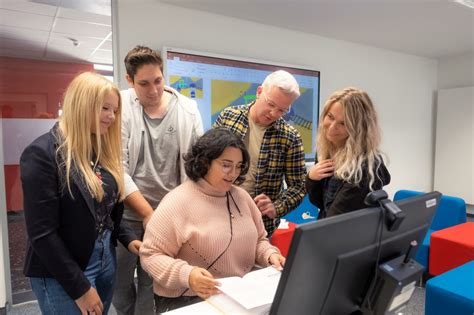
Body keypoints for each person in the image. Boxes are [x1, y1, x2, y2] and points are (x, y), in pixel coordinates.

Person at [20, 72, 140, 315]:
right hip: (64, 269)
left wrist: (129, 239)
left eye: (115, 110)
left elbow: (103, 210)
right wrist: (80, 288)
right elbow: (42, 234)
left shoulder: (97, 150)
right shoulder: (42, 154)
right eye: (105, 108)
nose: (112, 116)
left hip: (106, 258)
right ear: (81, 105)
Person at [140, 128, 285, 313]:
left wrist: (270, 255)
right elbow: (150, 255)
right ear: (205, 162)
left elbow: (258, 240)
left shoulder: (241, 197)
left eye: (239, 166)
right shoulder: (177, 202)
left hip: (238, 297)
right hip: (188, 300)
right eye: (226, 165)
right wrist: (188, 275)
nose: (233, 173)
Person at [113, 45, 203, 315]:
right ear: (129, 81)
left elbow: (197, 165)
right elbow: (118, 167)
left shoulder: (187, 109)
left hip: (168, 215)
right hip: (127, 214)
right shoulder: (120, 106)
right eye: (143, 84)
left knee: (153, 281)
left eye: (158, 81)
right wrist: (146, 213)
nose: (153, 90)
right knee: (120, 283)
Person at [213, 70, 306, 236]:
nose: (274, 114)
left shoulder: (290, 137)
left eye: (282, 110)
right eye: (270, 104)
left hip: (258, 224)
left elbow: (299, 186)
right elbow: (207, 161)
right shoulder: (228, 117)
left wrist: (277, 207)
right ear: (259, 92)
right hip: (217, 213)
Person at [306, 87, 391, 219]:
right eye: (330, 117)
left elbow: (335, 219)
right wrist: (312, 179)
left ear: (358, 129)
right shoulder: (326, 151)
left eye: (343, 123)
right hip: (329, 229)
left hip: (344, 234)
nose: (332, 127)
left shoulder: (363, 167)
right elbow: (321, 203)